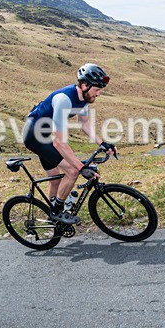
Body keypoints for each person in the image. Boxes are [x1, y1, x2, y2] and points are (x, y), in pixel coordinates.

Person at [23, 63, 117, 224]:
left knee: (55, 180)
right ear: (84, 85)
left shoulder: (84, 98)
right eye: (97, 89)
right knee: (73, 171)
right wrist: (81, 168)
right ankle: (57, 211)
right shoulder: (64, 99)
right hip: (34, 136)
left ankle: (53, 219)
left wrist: (102, 143)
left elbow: (84, 123)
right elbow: (59, 143)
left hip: (44, 135)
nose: (99, 93)